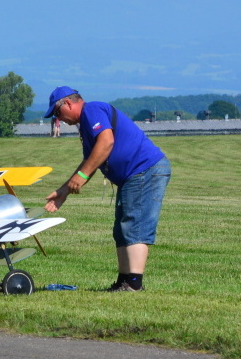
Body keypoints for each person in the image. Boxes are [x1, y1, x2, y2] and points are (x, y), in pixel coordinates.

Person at [43, 86, 171, 292]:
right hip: (132, 176)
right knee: (121, 229)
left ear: (67, 103)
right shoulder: (85, 124)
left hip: (143, 170)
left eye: (58, 113)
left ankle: (134, 284)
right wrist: (63, 191)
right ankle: (124, 281)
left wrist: (81, 176)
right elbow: (90, 160)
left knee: (134, 225)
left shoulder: (91, 110)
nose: (59, 119)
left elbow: (106, 141)